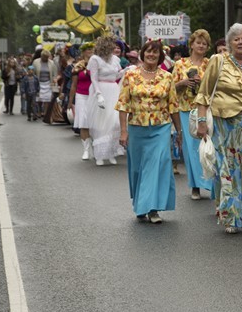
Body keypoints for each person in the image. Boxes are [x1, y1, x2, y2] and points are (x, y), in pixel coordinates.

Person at [194, 23, 242, 235]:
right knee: (228, 171)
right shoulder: (219, 61)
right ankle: (230, 217)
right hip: (223, 123)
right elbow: (204, 93)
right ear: (229, 43)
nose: (241, 42)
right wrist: (201, 121)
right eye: (236, 39)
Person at [116, 40, 181, 224]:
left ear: (160, 56)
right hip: (137, 127)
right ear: (142, 54)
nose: (151, 55)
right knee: (138, 169)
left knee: (157, 165)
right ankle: (141, 204)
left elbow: (173, 106)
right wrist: (123, 131)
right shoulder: (131, 75)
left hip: (161, 127)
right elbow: (123, 104)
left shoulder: (167, 77)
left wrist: (180, 131)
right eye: (148, 52)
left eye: (155, 52)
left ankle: (152, 209)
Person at [172, 29, 215, 200]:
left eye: (204, 43)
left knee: (210, 145)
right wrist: (184, 82)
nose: (201, 46)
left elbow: (216, 86)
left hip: (207, 109)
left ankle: (211, 183)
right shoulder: (180, 64)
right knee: (192, 150)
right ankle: (196, 186)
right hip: (186, 109)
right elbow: (170, 88)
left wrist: (203, 83)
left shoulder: (211, 63)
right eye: (198, 42)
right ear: (191, 44)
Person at [87, 35, 125, 166]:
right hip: (101, 90)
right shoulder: (95, 59)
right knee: (101, 123)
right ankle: (99, 155)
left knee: (114, 122)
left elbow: (116, 75)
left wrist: (126, 70)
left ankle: (111, 152)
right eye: (111, 46)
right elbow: (94, 78)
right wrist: (98, 95)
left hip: (113, 90)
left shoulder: (115, 59)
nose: (114, 48)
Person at [69, 44, 94, 159]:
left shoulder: (98, 64)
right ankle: (86, 150)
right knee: (84, 123)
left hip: (95, 96)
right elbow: (74, 85)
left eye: (91, 49)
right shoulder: (78, 67)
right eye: (88, 49)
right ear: (83, 52)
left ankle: (96, 149)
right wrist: (70, 101)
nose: (90, 51)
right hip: (81, 96)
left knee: (95, 123)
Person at [32, 48, 58, 120]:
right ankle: (39, 111)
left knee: (47, 99)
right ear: (41, 56)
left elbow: (54, 74)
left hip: (48, 83)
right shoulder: (36, 62)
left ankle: (46, 112)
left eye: (47, 57)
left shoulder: (51, 63)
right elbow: (33, 73)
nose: (46, 58)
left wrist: (54, 82)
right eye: (44, 57)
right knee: (39, 99)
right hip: (39, 82)